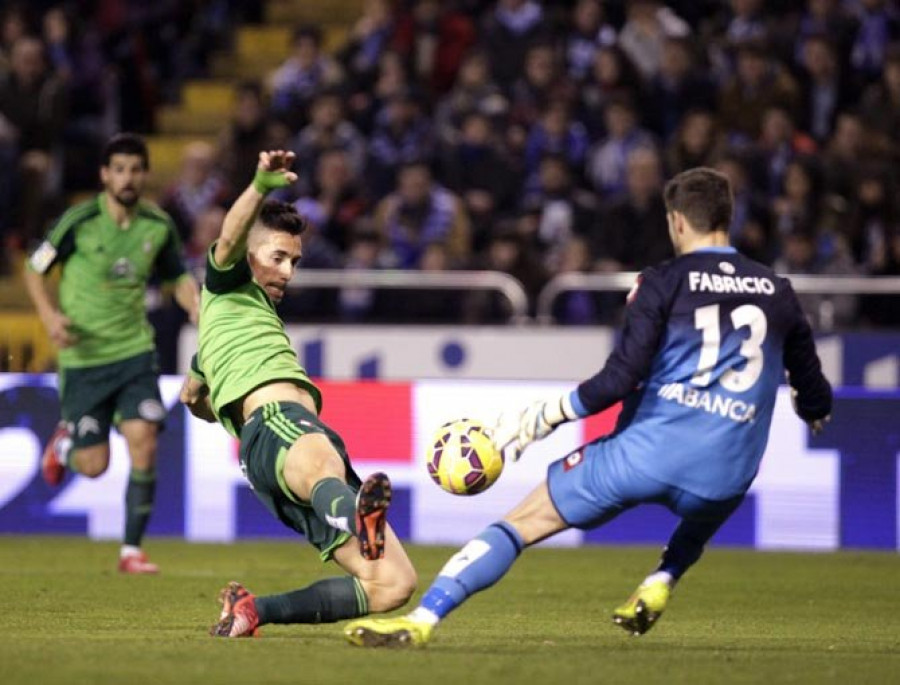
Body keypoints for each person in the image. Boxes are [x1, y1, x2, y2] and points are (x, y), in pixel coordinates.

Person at [343, 167, 833, 647]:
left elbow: (621, 376)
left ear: (677, 221)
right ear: (727, 216)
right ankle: (664, 577)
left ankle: (424, 617)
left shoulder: (663, 281)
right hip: (727, 471)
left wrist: (544, 417)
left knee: (519, 524)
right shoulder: (777, 290)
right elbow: (812, 386)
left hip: (646, 455)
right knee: (707, 508)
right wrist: (813, 410)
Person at [179, 149, 416, 638]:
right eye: (278, 257)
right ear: (247, 254)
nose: (288, 271)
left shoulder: (216, 338)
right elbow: (227, 236)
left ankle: (253, 609)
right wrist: (262, 184)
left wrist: (217, 401)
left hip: (272, 451)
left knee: (392, 583)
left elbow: (189, 397)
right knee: (321, 465)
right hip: (281, 425)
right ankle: (356, 514)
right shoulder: (226, 285)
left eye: (295, 261)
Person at [23, 133, 200, 574]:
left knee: (144, 440)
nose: (128, 177)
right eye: (119, 169)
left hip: (134, 353)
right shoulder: (78, 221)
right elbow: (33, 268)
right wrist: (48, 317)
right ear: (105, 175)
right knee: (94, 464)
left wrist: (196, 307)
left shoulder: (157, 226)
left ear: (144, 175)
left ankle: (131, 551)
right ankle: (64, 450)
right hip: (83, 359)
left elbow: (176, 277)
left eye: (136, 169)